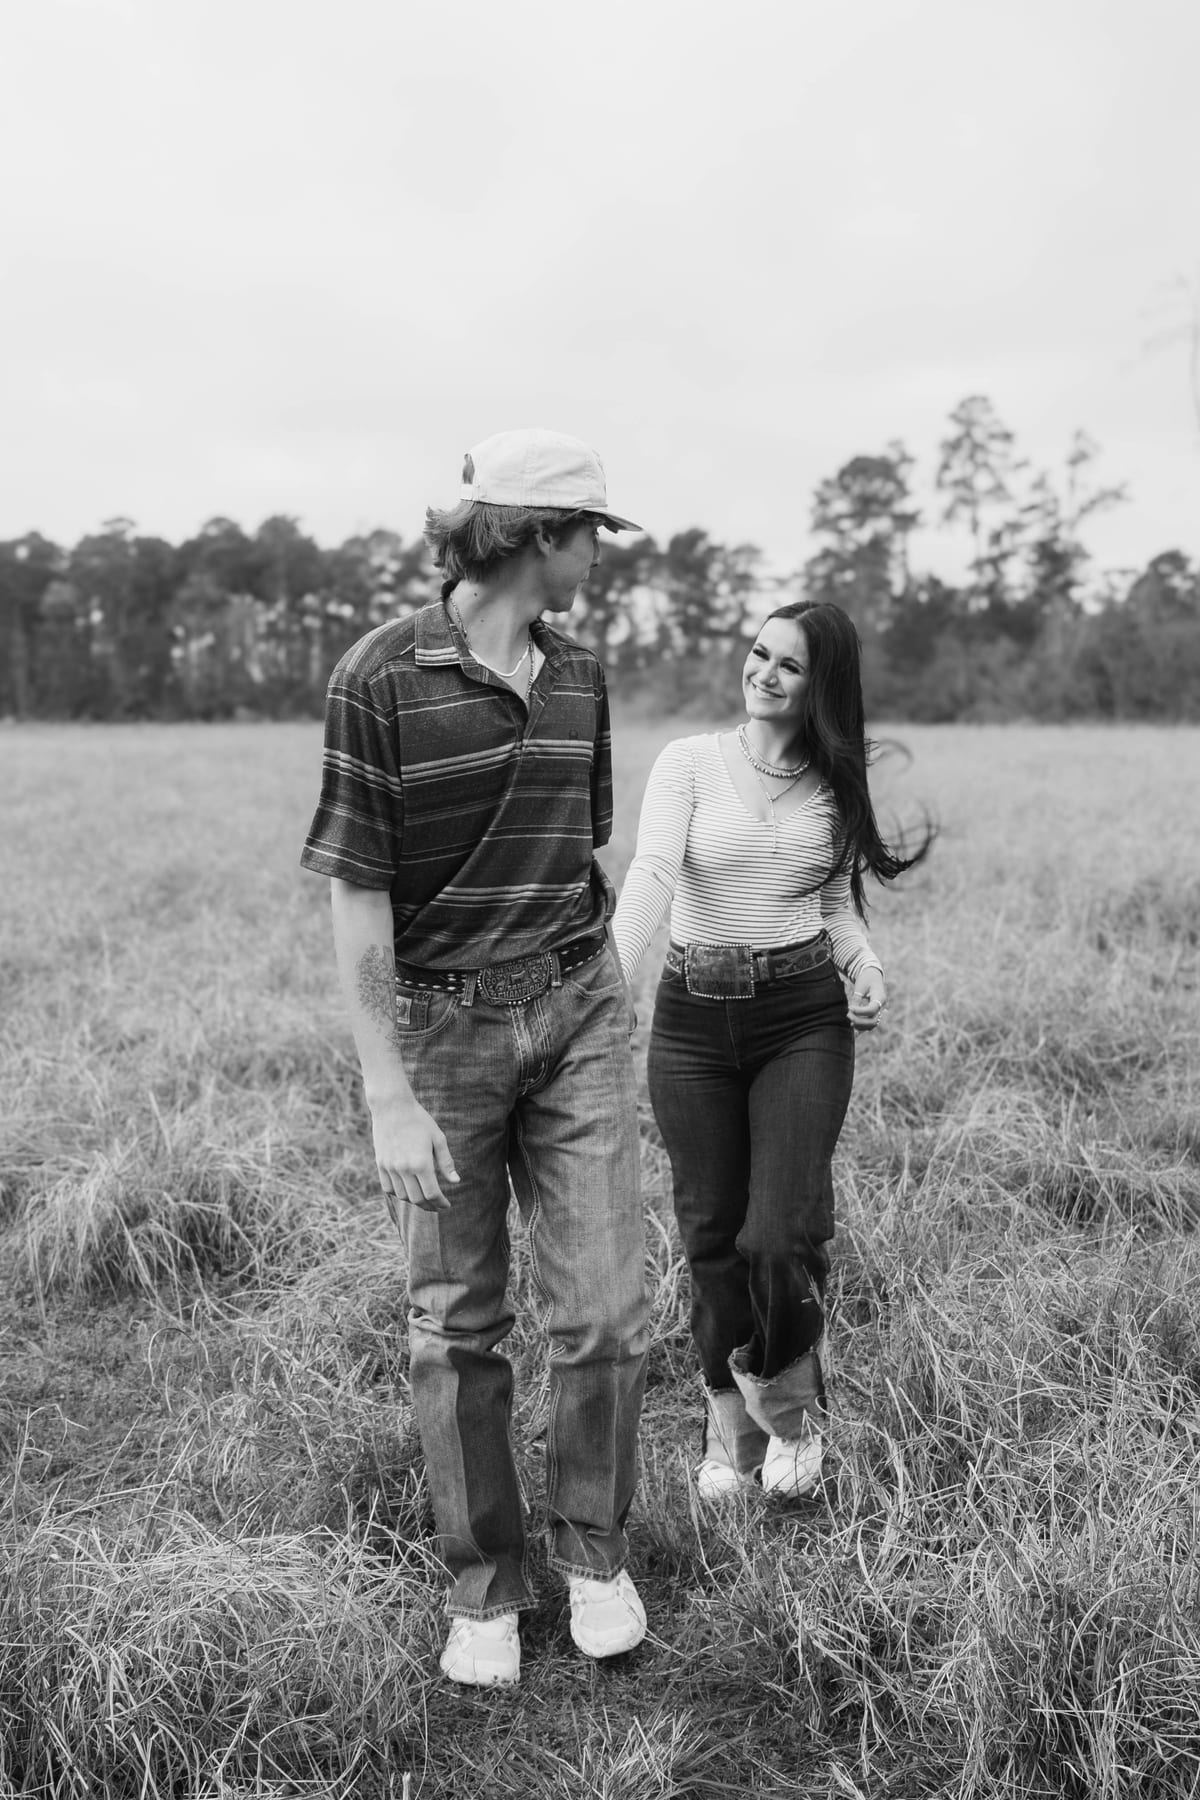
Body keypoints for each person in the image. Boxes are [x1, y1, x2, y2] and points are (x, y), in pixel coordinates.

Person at [301, 428, 650, 1688]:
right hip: (442, 1037)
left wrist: (592, 984)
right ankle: (487, 1587)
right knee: (458, 1328)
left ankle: (596, 1555)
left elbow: (582, 849)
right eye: (589, 539)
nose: (596, 564)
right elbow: (357, 891)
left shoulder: (583, 676)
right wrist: (385, 1087)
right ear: (534, 535)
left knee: (605, 1309)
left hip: (577, 1010)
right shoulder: (379, 674)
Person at [611, 601, 930, 1502]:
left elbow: (832, 907)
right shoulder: (690, 763)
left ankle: (791, 1419)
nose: (764, 674)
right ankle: (730, 1435)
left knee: (781, 1231)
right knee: (711, 1237)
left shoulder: (835, 787)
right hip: (690, 1021)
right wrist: (611, 987)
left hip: (801, 1017)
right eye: (759, 653)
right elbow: (653, 874)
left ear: (819, 683)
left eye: (789, 664)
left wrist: (863, 964)